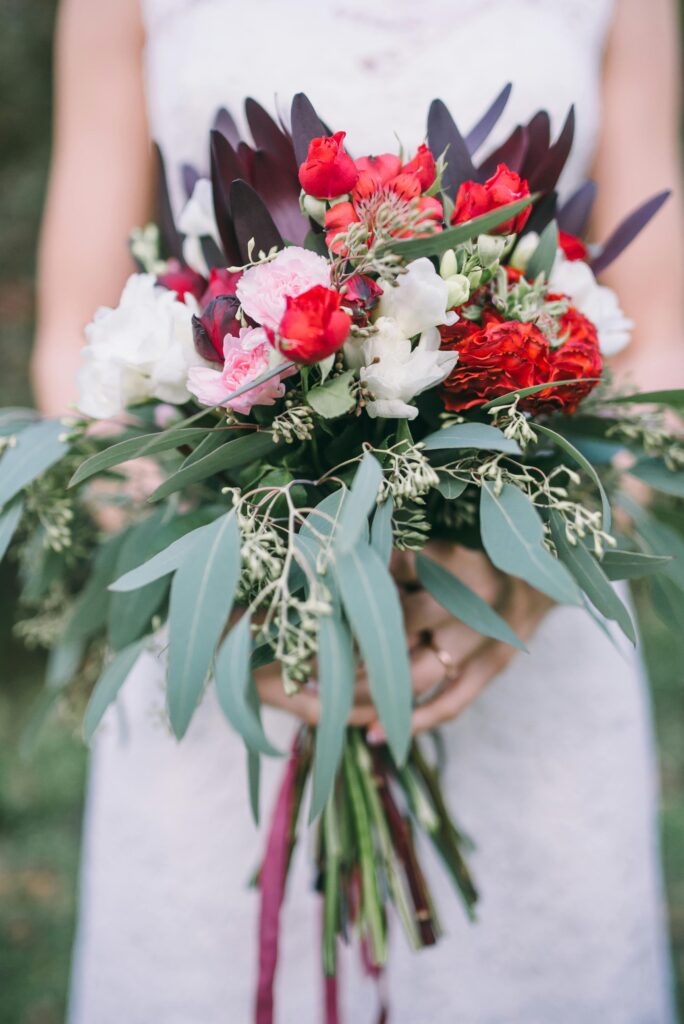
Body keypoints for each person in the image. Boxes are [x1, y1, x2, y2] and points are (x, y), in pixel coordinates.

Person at [32, 0, 683, 1021]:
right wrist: (239, 581)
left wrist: (524, 579)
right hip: (229, 639)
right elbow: (78, 337)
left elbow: (663, 325)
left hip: (526, 652)